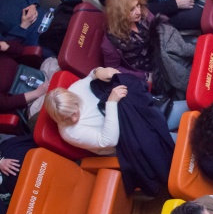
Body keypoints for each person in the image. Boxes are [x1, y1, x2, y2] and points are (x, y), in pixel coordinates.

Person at [45, 67, 179, 193]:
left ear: (75, 100)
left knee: (184, 112)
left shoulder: (76, 90)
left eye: (74, 113)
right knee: (180, 142)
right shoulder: (69, 133)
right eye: (66, 119)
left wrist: (99, 71)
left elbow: (91, 76)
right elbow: (108, 141)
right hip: (127, 142)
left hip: (135, 115)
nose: (73, 119)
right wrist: (111, 103)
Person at [102, 0, 194, 103]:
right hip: (148, 71)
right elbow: (114, 69)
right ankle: (192, 86)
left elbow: (160, 29)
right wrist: (144, 76)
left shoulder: (143, 13)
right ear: (119, 14)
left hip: (161, 50)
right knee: (177, 68)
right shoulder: (109, 43)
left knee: (175, 56)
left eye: (137, 5)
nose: (138, 11)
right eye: (131, 10)